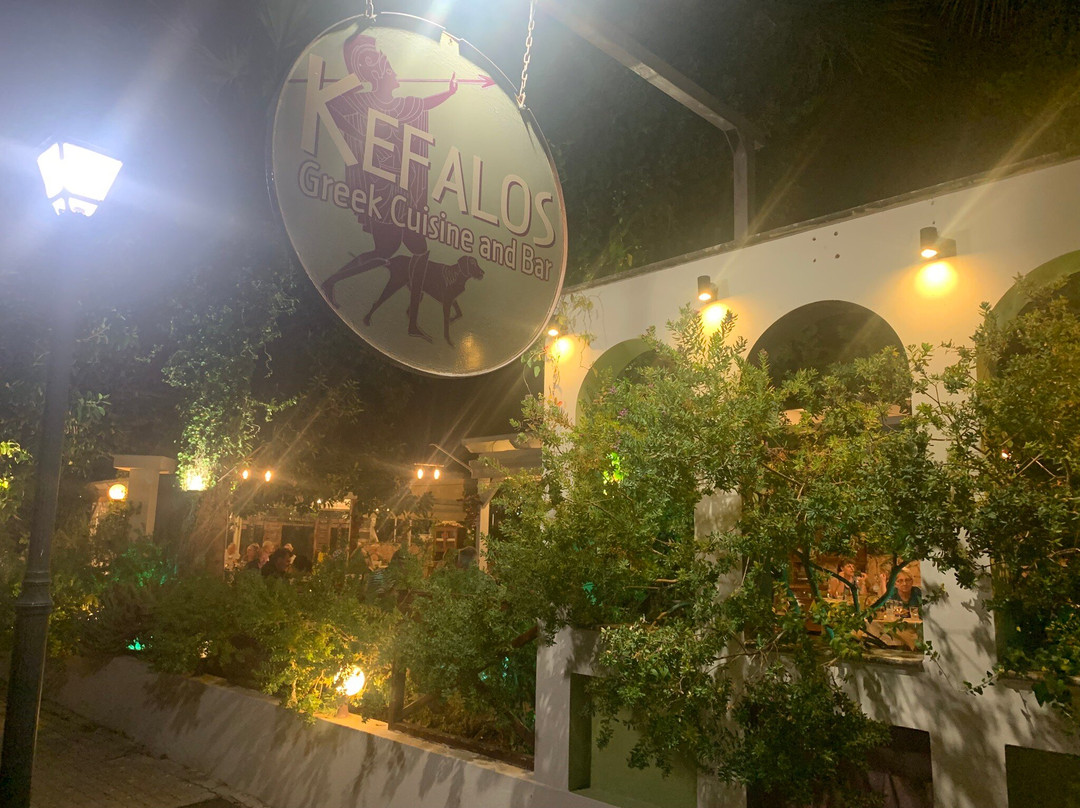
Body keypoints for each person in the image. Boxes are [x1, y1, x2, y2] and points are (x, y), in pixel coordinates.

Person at [321, 32, 458, 340]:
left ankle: (412, 320)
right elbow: (330, 105)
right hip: (382, 191)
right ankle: (330, 281)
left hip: (403, 191)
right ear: (379, 77)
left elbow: (424, 104)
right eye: (392, 70)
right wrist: (356, 78)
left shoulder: (401, 106)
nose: (396, 74)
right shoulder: (363, 102)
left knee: (418, 249)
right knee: (386, 250)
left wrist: (449, 92)